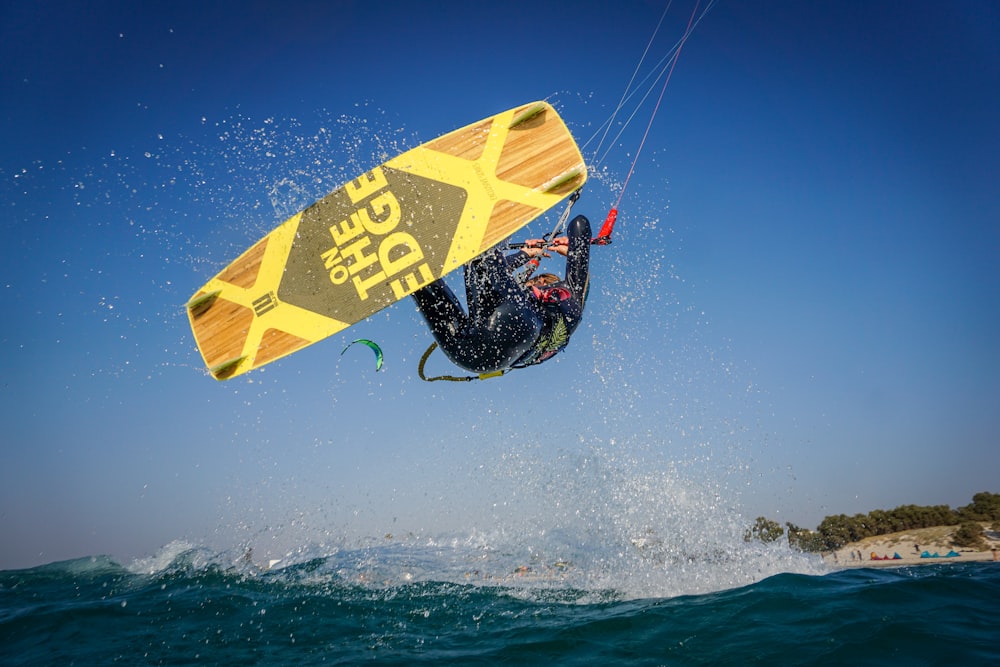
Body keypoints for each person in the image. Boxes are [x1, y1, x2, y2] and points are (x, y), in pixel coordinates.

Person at [411, 214, 591, 375]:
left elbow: (580, 223)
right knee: (420, 277)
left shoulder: (549, 298)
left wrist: (526, 254)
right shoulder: (570, 310)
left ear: (542, 283)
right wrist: (573, 253)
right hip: (476, 361)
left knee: (481, 248)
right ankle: (408, 257)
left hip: (513, 326)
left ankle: (484, 209)